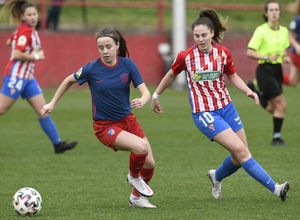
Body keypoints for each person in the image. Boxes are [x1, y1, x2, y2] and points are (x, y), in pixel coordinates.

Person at [151, 9, 290, 201]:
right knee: (241, 152)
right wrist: (156, 95)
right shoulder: (186, 57)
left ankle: (216, 176)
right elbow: (171, 75)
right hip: (204, 113)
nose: (200, 39)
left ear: (212, 34)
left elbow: (232, 75)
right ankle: (276, 188)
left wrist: (248, 91)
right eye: (196, 36)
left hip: (227, 107)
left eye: (204, 35)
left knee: (240, 157)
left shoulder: (223, 53)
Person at [40, 28, 156, 208]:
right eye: (101, 47)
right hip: (105, 127)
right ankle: (133, 177)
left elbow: (145, 92)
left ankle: (136, 198)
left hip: (128, 120)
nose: (105, 51)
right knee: (141, 148)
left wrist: (142, 100)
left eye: (108, 46)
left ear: (117, 46)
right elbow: (68, 80)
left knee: (150, 163)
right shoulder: (91, 69)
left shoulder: (128, 65)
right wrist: (52, 103)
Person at [0, 0, 78, 154]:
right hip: (16, 77)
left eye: (34, 14)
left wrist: (23, 44)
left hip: (28, 79)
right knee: (1, 109)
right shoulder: (25, 31)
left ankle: (58, 144)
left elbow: (10, 42)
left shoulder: (28, 30)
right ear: (23, 16)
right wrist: (36, 55)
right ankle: (57, 144)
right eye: (29, 15)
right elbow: (16, 53)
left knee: (43, 110)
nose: (33, 17)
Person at [246, 0, 290, 146]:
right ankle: (276, 138)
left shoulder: (284, 31)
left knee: (273, 108)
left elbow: (282, 50)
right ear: (266, 13)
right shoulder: (261, 30)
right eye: (271, 10)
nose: (274, 12)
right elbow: (250, 52)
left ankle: (254, 90)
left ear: (280, 12)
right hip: (265, 70)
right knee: (282, 106)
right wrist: (266, 57)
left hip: (277, 70)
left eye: (276, 10)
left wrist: (286, 58)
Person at [283, 0, 300, 86]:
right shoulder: (297, 20)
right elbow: (290, 35)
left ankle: (270, 77)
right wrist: (297, 46)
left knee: (293, 81)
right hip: (297, 55)